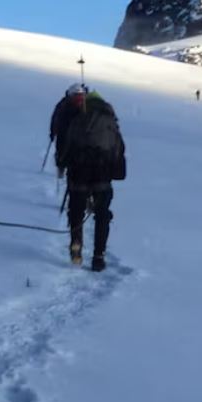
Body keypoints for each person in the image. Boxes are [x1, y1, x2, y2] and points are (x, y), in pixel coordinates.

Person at [55, 89, 126, 271]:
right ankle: (98, 256)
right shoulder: (109, 120)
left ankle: (76, 246)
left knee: (76, 211)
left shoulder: (79, 118)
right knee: (102, 214)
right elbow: (118, 148)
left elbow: (68, 145)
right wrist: (114, 172)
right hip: (102, 174)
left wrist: (63, 164)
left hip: (78, 172)